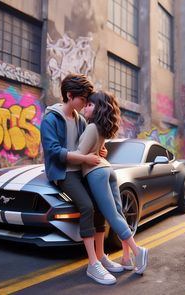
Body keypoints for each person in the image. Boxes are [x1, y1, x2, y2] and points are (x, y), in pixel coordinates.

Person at [40, 74, 124, 285]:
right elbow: (53, 152)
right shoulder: (51, 118)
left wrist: (99, 150)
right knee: (87, 206)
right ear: (70, 95)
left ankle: (101, 255)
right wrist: (85, 157)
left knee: (99, 206)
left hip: (81, 170)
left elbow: (86, 142)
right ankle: (93, 264)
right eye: (83, 99)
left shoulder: (80, 119)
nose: (87, 103)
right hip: (64, 173)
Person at [71, 90, 148, 275]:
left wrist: (67, 155)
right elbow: (99, 149)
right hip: (108, 169)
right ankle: (126, 258)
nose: (86, 107)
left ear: (99, 109)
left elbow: (80, 155)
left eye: (90, 105)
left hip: (96, 173)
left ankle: (138, 251)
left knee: (112, 216)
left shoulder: (90, 128)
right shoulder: (101, 128)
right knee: (119, 213)